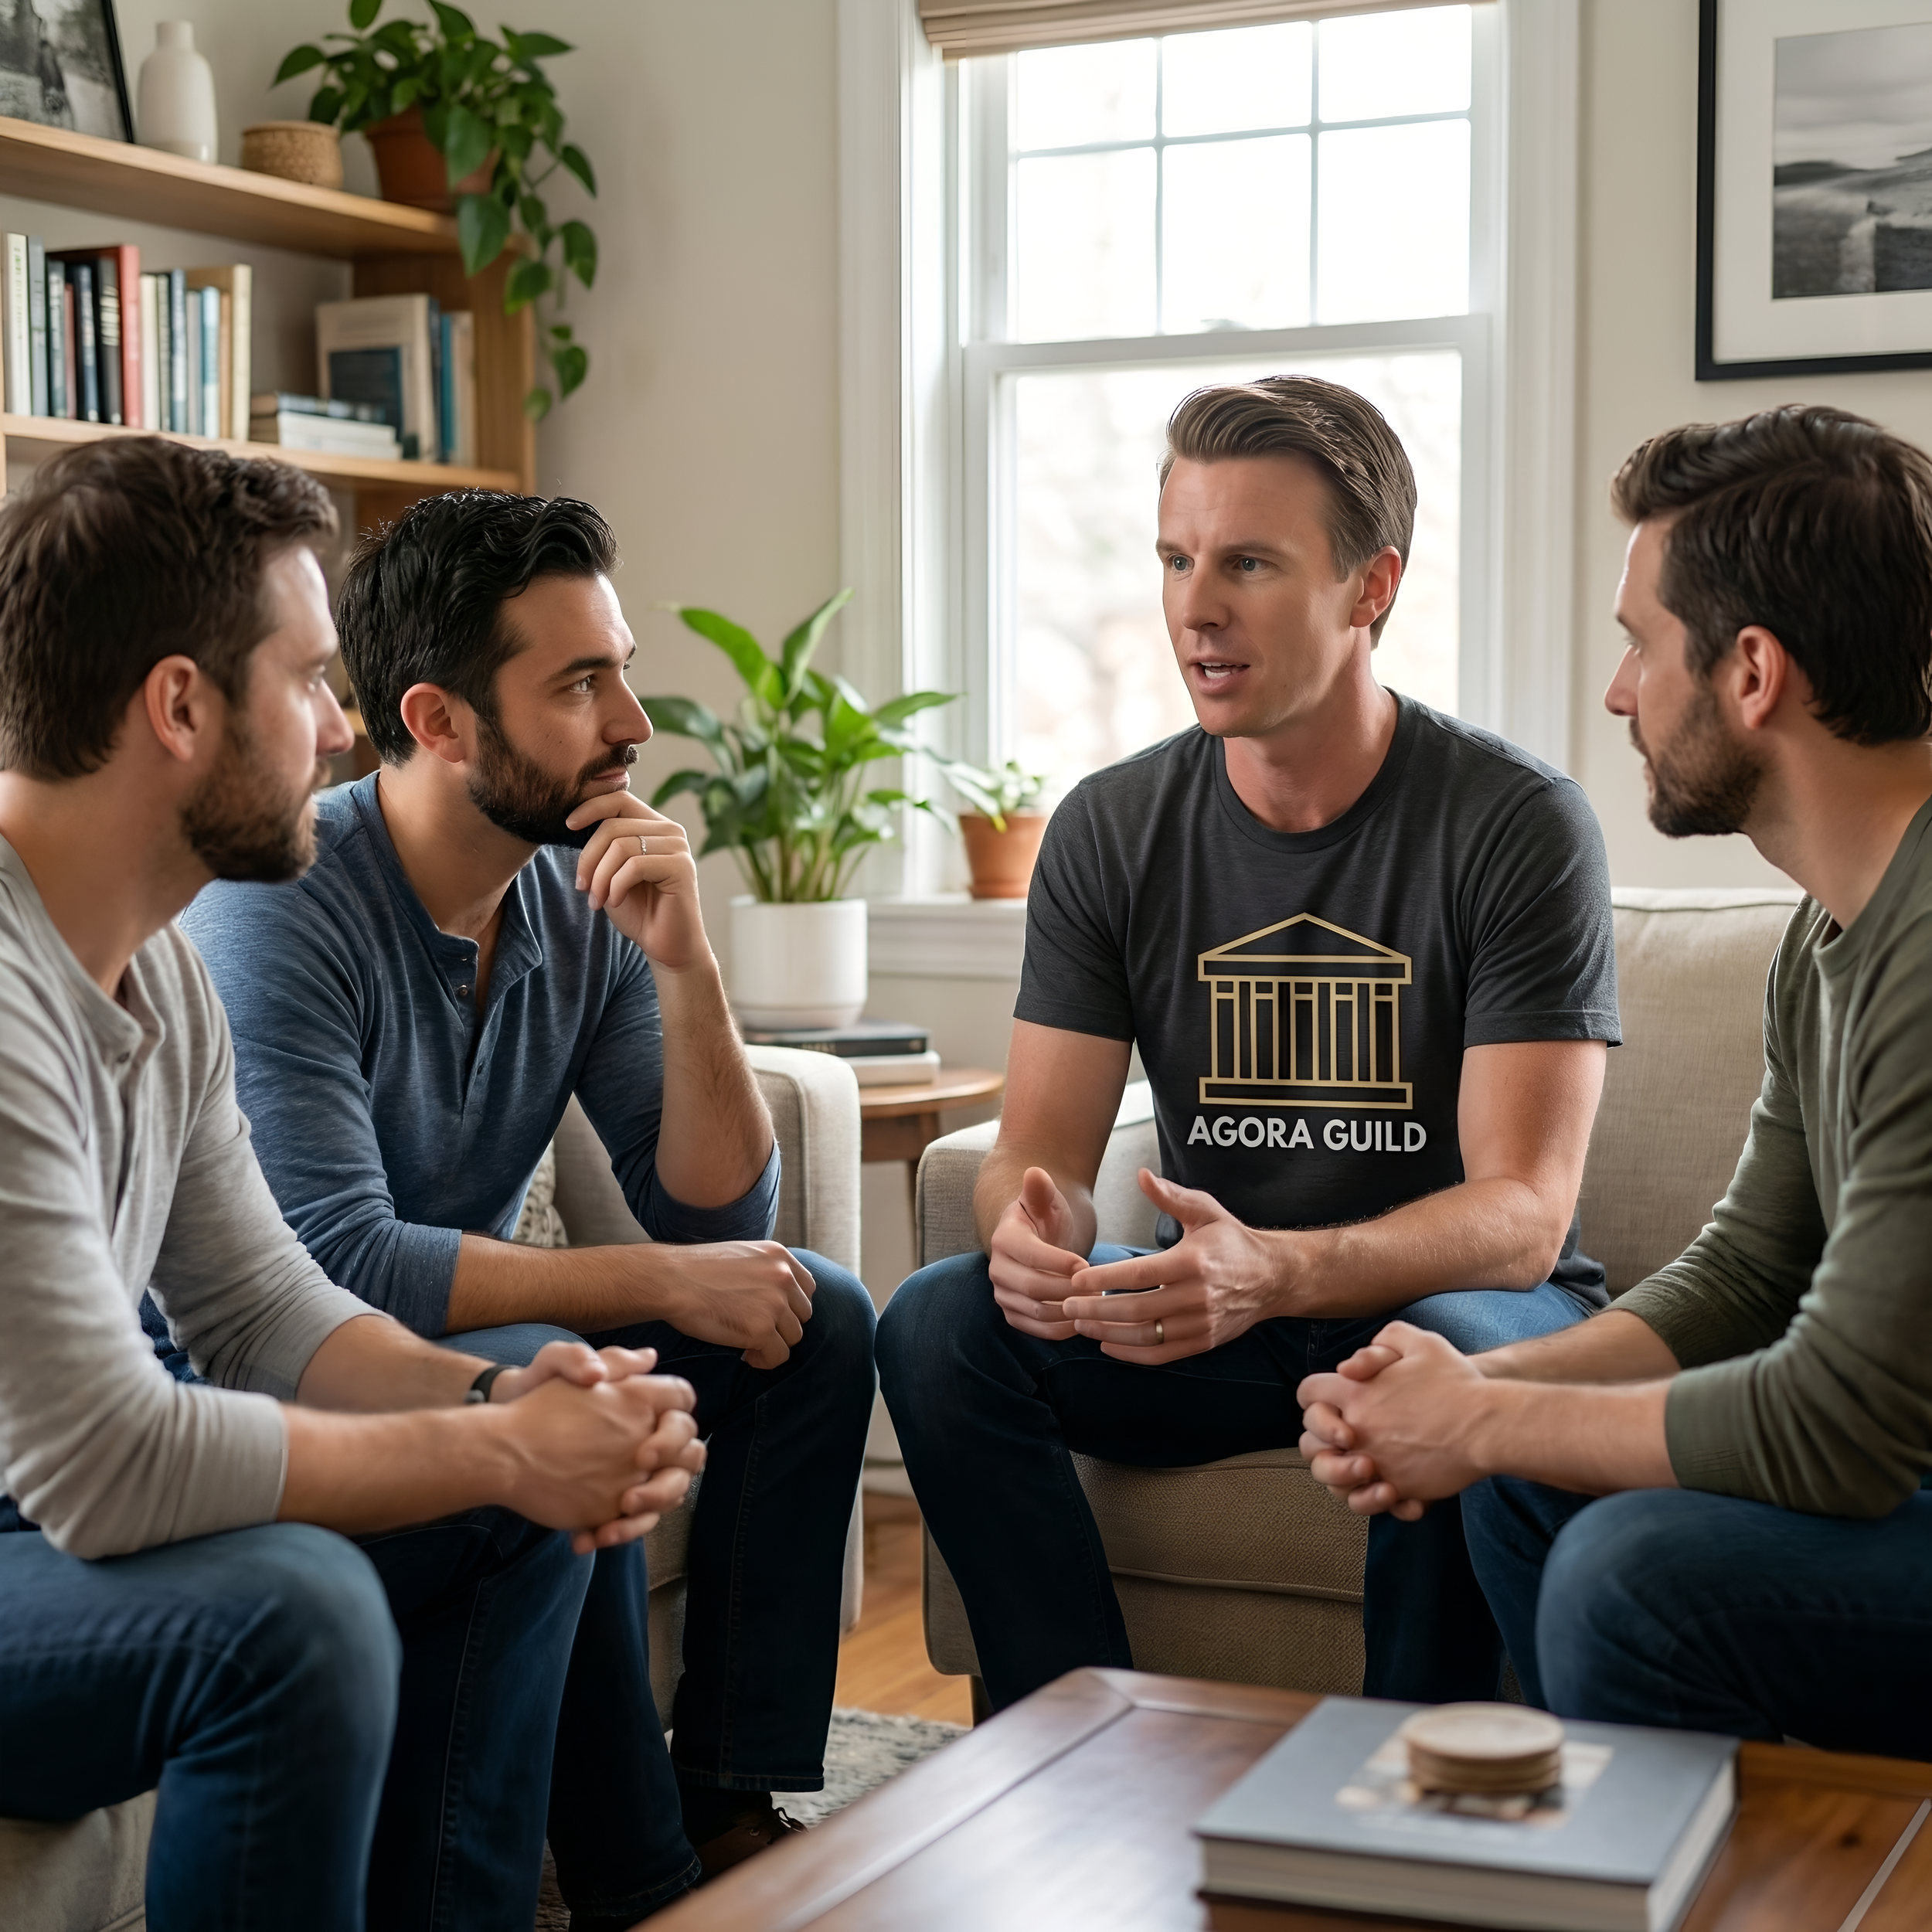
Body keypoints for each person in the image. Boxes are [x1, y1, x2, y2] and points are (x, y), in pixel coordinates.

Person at [0, 437, 706, 1932]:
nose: (340, 731)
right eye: (313, 680)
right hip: (34, 1533)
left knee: (495, 1477)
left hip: (42, 1535)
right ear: (180, 707)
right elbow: (107, 1463)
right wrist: (504, 1452)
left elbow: (265, 1312)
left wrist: (501, 1408)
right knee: (294, 1613)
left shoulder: (160, 980)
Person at [876, 375, 1620, 1713]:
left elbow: (1523, 1216)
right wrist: (1031, 1229)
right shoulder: (1110, 829)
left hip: (1460, 1307)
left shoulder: (1515, 823)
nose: (1194, 608)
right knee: (941, 1321)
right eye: (1176, 559)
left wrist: (1277, 1271)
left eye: (1250, 565)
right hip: (1226, 1312)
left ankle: (1404, 1800)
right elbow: (1038, 1154)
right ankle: (1070, 1746)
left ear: (1370, 586)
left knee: (1445, 1346)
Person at [179, 488, 876, 1915]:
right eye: (579, 683)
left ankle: (726, 1799)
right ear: (437, 722)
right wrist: (656, 1292)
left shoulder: (575, 891)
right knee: (557, 1381)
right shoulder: (282, 902)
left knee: (821, 1318)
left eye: (617, 667)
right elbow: (335, 1262)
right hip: (274, 1373)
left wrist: (688, 969)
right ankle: (638, 1878)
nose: (632, 719)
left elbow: (717, 1209)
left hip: (435, 1340)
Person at [1298, 403, 1932, 1759]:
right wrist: (1494, 1392)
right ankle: (1646, 1861)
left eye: (1642, 642)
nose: (1619, 691)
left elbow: (1842, 1424)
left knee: (1625, 1571)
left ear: (1752, 671)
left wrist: (1481, 1410)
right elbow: (1748, 1277)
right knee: (1524, 1486)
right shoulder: (1828, 930)